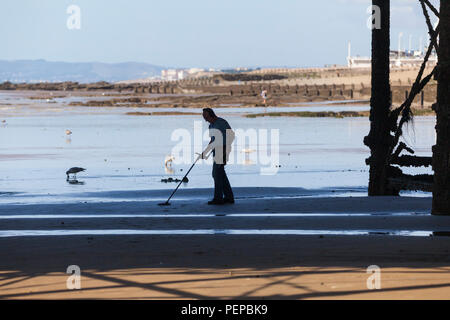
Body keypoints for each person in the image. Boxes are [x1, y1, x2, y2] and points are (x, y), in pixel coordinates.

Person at [201, 108, 235, 205]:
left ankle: (218, 198)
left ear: (211, 114)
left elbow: (231, 136)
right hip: (216, 150)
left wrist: (225, 150)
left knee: (216, 173)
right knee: (219, 173)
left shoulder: (221, 122)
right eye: (203, 116)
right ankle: (229, 197)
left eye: (205, 116)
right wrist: (205, 151)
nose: (204, 118)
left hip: (223, 149)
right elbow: (212, 140)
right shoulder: (211, 126)